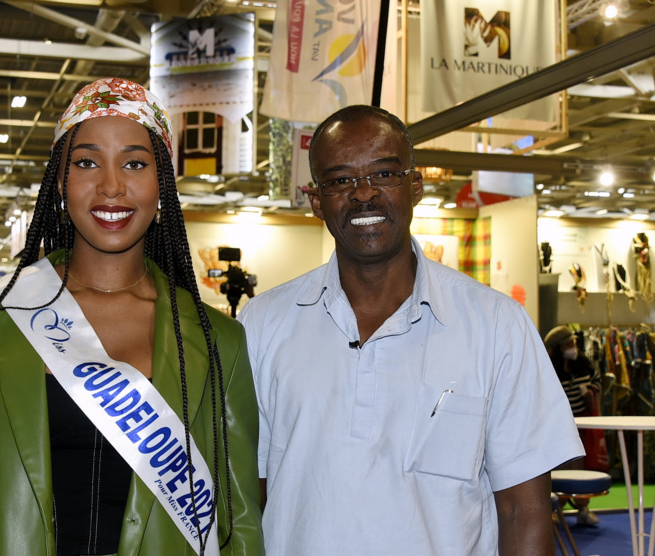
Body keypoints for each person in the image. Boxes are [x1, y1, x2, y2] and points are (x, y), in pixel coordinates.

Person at [0, 77, 263, 556]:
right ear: (60, 180)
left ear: (162, 182)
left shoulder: (217, 340)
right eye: (86, 162)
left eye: (135, 163)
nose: (111, 186)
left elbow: (238, 523)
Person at [237, 105, 584, 555]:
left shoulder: (496, 325)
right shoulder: (262, 324)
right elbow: (248, 495)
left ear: (415, 186)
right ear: (316, 200)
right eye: (340, 179)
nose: (364, 194)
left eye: (384, 174)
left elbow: (523, 509)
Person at [544, 324, 603, 526]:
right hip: (557, 429)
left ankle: (583, 509)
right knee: (558, 467)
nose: (573, 347)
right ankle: (555, 510)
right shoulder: (549, 370)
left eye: (573, 343)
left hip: (581, 426)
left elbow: (597, 379)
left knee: (580, 466)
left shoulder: (582, 363)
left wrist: (591, 392)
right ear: (558, 348)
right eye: (569, 343)